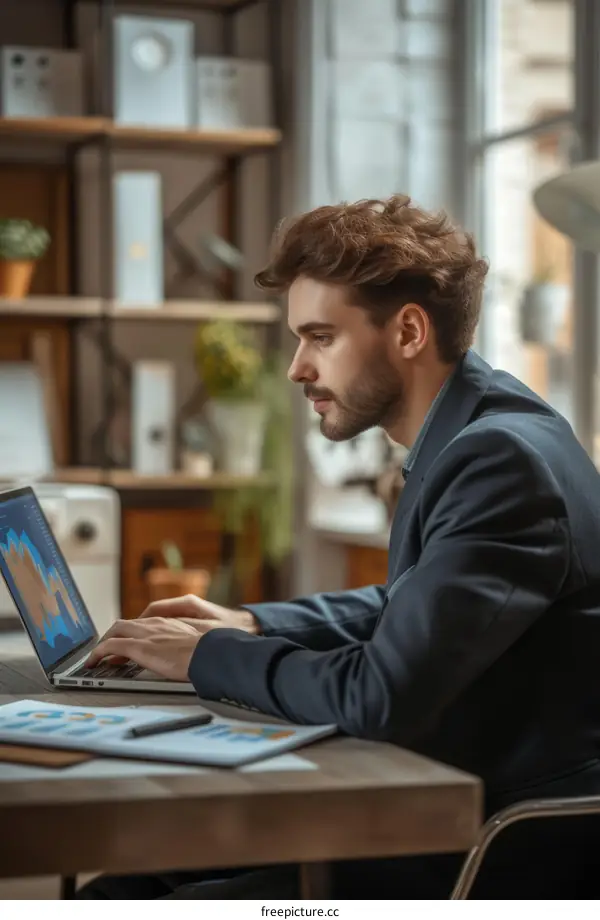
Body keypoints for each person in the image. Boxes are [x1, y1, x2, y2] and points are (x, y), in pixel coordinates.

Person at [78, 195, 600, 899]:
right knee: (127, 884)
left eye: (321, 337)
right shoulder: (483, 428)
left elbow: (379, 695)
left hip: (493, 847)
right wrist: (251, 623)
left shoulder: (498, 460)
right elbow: (414, 605)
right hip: (437, 806)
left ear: (409, 331)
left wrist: (204, 656)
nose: (297, 368)